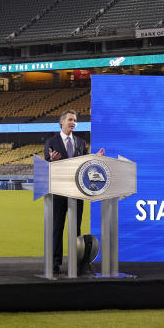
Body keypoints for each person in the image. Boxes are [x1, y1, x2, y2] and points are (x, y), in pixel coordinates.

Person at [44, 109, 104, 274]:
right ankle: (54, 263)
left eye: (75, 120)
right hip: (58, 192)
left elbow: (84, 163)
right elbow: (46, 161)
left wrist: (95, 158)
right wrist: (51, 160)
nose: (73, 123)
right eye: (70, 119)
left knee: (75, 229)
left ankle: (76, 262)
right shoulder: (51, 142)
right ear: (62, 122)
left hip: (77, 192)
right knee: (57, 228)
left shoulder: (80, 142)